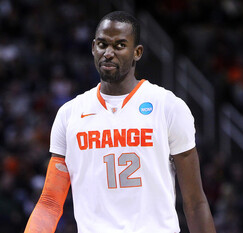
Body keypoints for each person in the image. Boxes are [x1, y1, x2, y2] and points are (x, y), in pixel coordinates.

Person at [24, 11, 216, 233]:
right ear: (93, 47)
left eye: (119, 45)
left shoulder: (168, 107)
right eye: (103, 44)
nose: (108, 53)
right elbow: (50, 203)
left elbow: (194, 202)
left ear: (137, 52)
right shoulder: (70, 114)